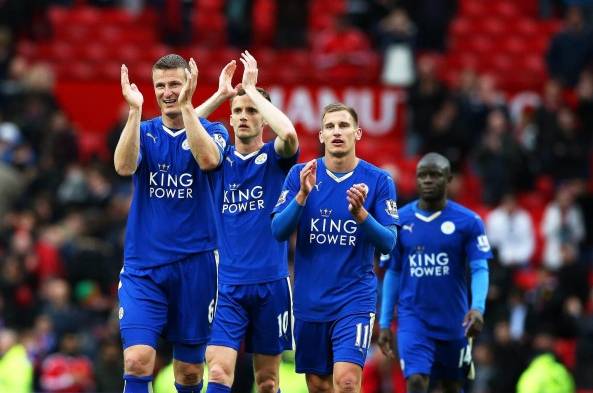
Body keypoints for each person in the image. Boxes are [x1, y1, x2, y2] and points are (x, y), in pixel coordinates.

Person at [114, 54, 229, 393]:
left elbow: (208, 159)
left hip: (196, 265)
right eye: (160, 86)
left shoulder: (215, 131)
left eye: (175, 84)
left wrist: (190, 106)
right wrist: (134, 111)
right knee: (136, 359)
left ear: (189, 84)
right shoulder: (145, 133)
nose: (167, 92)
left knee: (191, 371)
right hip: (143, 267)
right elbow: (123, 166)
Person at [271, 103, 399, 393]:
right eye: (330, 126)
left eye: (343, 126)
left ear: (358, 133)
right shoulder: (300, 175)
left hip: (354, 300)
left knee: (347, 381)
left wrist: (361, 215)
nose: (337, 132)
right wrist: (302, 196)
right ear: (321, 136)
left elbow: (389, 241)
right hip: (308, 301)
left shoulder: (378, 180)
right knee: (318, 385)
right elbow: (278, 231)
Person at [194, 51, 299, 393]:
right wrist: (221, 95)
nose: (243, 116)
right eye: (237, 111)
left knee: (267, 382)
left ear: (263, 118)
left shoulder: (274, 158)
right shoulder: (218, 157)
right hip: (226, 286)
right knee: (220, 372)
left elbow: (291, 135)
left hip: (271, 284)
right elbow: (180, 134)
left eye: (251, 110)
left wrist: (252, 91)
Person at [377, 152, 492, 393]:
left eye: (435, 175)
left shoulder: (468, 222)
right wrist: (385, 322)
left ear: (449, 179)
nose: (428, 180)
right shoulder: (399, 220)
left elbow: (480, 267)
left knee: (451, 386)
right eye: (422, 176)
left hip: (454, 321)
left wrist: (478, 308)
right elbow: (393, 272)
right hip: (413, 320)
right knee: (417, 381)